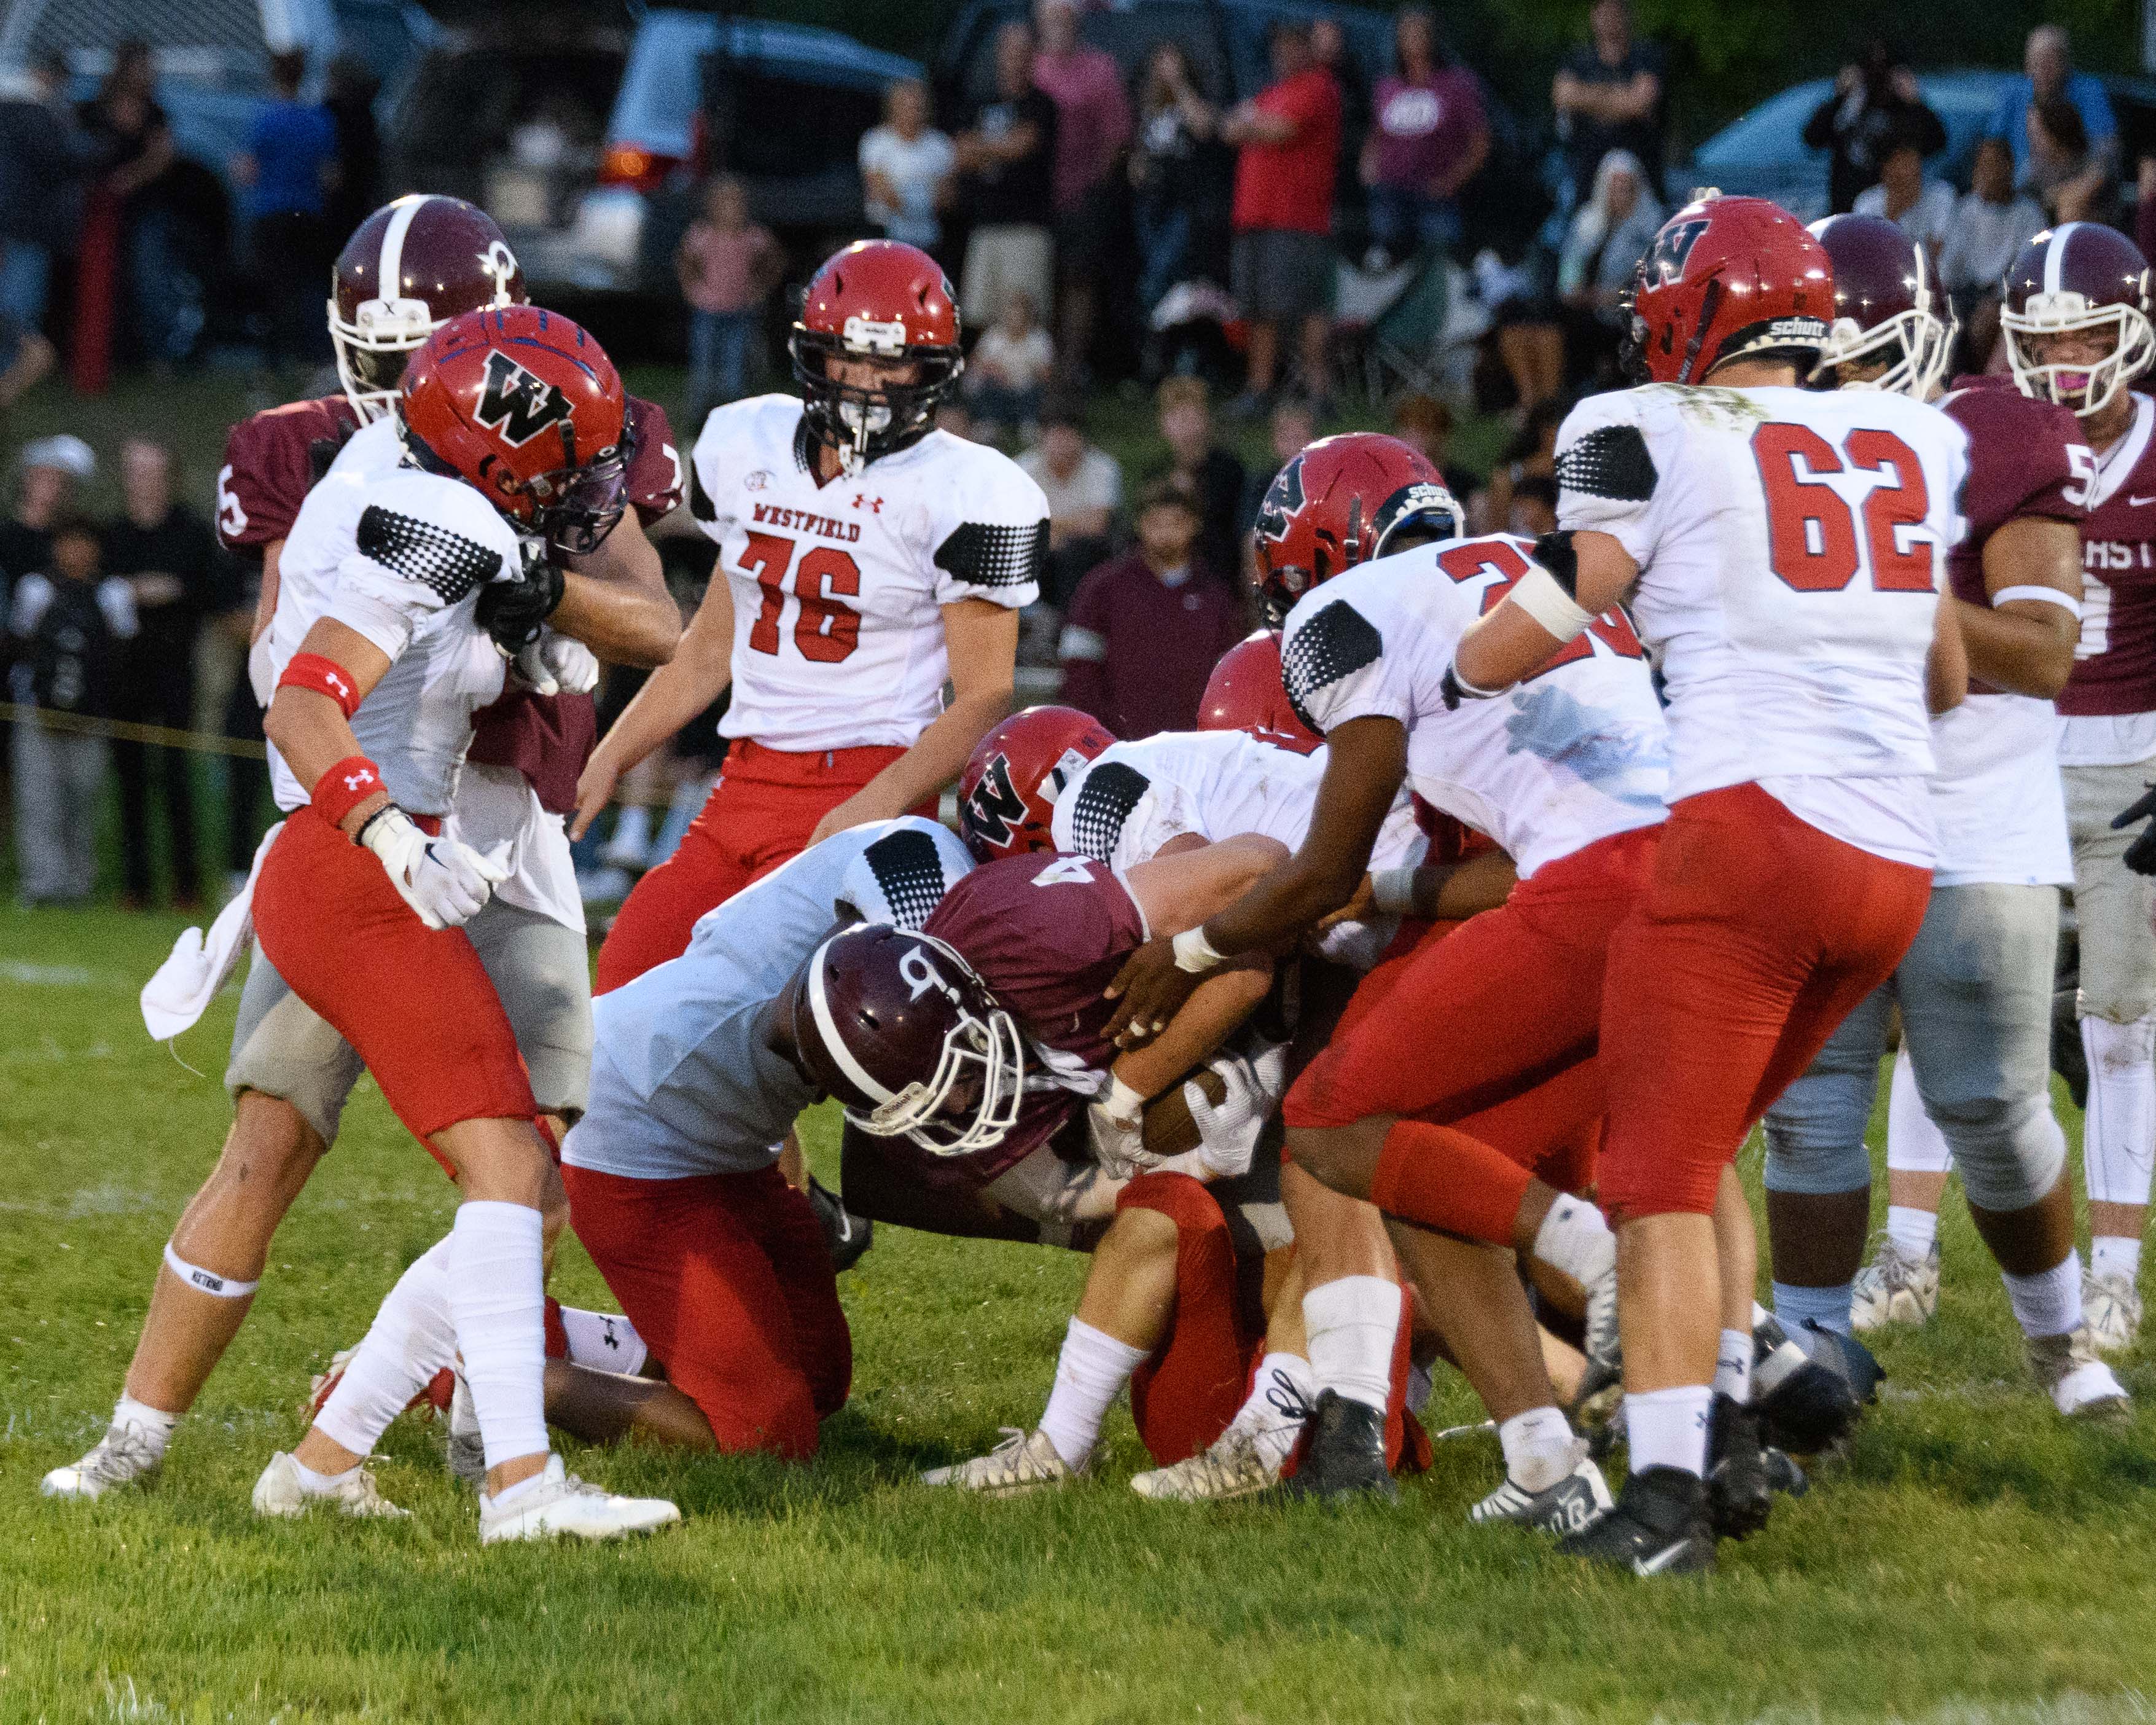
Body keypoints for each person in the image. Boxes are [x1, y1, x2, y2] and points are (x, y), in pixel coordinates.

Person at [41, 197, 684, 1511]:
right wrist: (366, 812)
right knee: (277, 1137)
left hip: (501, 824)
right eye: (376, 354)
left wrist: (534, 601)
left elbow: (656, 627)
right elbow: (305, 661)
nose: (395, 382)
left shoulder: (540, 423)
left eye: (423, 350)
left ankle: (409, 1434)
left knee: (526, 1158)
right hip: (369, 827)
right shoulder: (357, 471)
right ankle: (143, 1438)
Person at [1445, 195, 1967, 1573]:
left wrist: (1467, 663)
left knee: (1658, 1175)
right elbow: (1947, 674)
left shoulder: (1648, 428)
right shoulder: (1912, 435)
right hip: (1895, 859)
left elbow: (1554, 609)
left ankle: (1669, 1496)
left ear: (1694, 309)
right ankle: (1729, 1426)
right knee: (1699, 1140)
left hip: (1750, 834)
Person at [1093, 432, 1663, 1525]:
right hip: (1678, 871)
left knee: (1345, 1127)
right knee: (1639, 1167)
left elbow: (1330, 868)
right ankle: (1668, 1412)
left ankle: (1374, 1401)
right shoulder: (1522, 570)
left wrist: (1207, 950)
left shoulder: (1351, 628)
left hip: (1565, 902)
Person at [1760, 214, 2123, 1421]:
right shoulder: (1756, 450)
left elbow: (2043, 648)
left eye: (1852, 361)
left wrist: (1877, 591)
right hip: (1823, 805)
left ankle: (2062, 1337)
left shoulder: (2000, 434)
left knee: (1993, 1107)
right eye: (1809, 363)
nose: (1830, 390)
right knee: (1812, 1112)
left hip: (1974, 812)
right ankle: (1810, 1357)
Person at [575, 240, 1042, 993]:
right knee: (627, 996)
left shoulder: (966, 488)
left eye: (892, 366)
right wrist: (609, 757)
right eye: (850, 360)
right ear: (813, 356)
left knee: (761, 1037)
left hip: (869, 773)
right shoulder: (746, 442)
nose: (867, 385)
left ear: (932, 373)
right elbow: (709, 649)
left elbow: (986, 696)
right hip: (742, 785)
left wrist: (873, 807)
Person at [2001, 223, 2156, 1353]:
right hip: (2014, 763)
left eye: (2087, 334)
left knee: (2119, 1030)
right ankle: (1905, 1250)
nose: (2065, 363)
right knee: (1970, 1019)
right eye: (2045, 341)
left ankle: (2116, 1272)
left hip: (2133, 764)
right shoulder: (2000, 449)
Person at [104, 438, 217, 910]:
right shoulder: (112, 535)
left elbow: (207, 593)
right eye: (135, 471)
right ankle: (136, 885)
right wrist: (143, 588)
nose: (142, 480)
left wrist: (168, 590)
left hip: (175, 670)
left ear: (168, 476)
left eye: (151, 471)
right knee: (128, 779)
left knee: (176, 778)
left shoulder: (191, 531)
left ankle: (186, 884)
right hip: (123, 673)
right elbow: (102, 590)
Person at [1058, 481, 1244, 739]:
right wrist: (1104, 731)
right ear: (1140, 525)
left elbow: (1232, 677)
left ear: (1195, 525)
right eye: (1156, 523)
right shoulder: (1103, 587)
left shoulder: (1216, 595)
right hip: (1119, 747)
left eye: (1177, 523)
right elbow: (1078, 667)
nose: (1166, 533)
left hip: (1196, 747)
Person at [9, 515, 132, 904]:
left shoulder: (113, 593)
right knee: (39, 801)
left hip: (92, 717)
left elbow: (124, 652)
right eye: (68, 543)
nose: (76, 552)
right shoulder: (35, 589)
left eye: (84, 543)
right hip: (38, 714)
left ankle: (79, 886)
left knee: (83, 803)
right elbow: (20, 642)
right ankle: (42, 886)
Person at [1222, 22, 1340, 417]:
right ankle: (1260, 390)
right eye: (1279, 47)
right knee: (1259, 309)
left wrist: (1249, 124)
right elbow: (1228, 129)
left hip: (1297, 219)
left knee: (1306, 308)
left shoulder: (1318, 87)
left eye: (1293, 45)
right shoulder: (1272, 92)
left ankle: (1319, 393)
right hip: (1255, 216)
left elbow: (1280, 131)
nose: (1284, 53)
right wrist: (1248, 124)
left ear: (1307, 47)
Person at [1031, 0, 1128, 385]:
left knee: (1078, 279)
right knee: (1041, 280)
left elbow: (1117, 134)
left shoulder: (1100, 69)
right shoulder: (1032, 67)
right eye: (1051, 16)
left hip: (1083, 195)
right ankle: (1040, 365)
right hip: (1036, 198)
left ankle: (1071, 364)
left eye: (1065, 16)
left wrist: (1095, 185)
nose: (1059, 23)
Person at [79, 39, 187, 372]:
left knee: (148, 276)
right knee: (103, 283)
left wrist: (131, 178)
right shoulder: (96, 108)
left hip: (143, 210)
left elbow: (164, 157)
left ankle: (156, 354)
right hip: (101, 211)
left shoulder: (154, 113)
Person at [230, 50, 338, 377]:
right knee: (308, 285)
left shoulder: (264, 119)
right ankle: (312, 354)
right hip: (307, 213)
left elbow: (247, 171)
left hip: (270, 213)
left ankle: (273, 357)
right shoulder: (319, 120)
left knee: (272, 285)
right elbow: (331, 176)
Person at [953, 22, 1057, 331]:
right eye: (1010, 50)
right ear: (1000, 54)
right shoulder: (979, 101)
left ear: (1033, 56)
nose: (1016, 58)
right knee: (982, 318)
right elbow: (960, 153)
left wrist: (982, 147)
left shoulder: (1042, 104)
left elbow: (1023, 145)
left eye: (1024, 51)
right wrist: (1000, 147)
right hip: (984, 224)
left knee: (1024, 318)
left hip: (1026, 227)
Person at [1362, 7, 1487, 262]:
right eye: (1407, 33)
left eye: (1420, 32)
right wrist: (1369, 166)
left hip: (1435, 197)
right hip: (1390, 195)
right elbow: (1377, 132)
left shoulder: (1455, 84)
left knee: (1436, 265)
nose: (1414, 39)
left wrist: (1452, 181)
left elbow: (1480, 141)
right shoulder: (1389, 85)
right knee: (1386, 265)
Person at [676, 174, 782, 432]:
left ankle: (734, 421)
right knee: (704, 366)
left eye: (737, 203)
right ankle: (698, 421)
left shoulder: (754, 237)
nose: (731, 209)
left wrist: (760, 289)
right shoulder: (702, 235)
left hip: (741, 312)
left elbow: (774, 260)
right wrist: (692, 290)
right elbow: (685, 261)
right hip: (708, 311)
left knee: (734, 370)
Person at [0, 50, 96, 332]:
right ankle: (18, 358)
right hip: (27, 217)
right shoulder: (31, 110)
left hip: (15, 214)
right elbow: (58, 158)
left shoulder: (13, 106)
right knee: (21, 297)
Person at [1986, 26, 2115, 225]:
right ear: (2026, 65)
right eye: (2036, 59)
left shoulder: (2089, 92)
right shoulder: (2012, 95)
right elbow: (1992, 155)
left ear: (2066, 63)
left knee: (2072, 209)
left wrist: (2061, 196)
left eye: (2051, 58)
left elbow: (2104, 160)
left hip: (2075, 195)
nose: (2043, 66)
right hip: (2020, 199)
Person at [1801, 40, 1946, 216]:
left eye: (1885, 68)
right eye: (1869, 68)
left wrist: (1916, 103)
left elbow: (1937, 144)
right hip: (1845, 209)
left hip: (1893, 210)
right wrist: (1838, 98)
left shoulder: (1905, 111)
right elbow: (1812, 139)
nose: (1877, 76)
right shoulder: (1849, 107)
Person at [1937, 138, 2046, 372]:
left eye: (1994, 164)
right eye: (1982, 165)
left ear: (2009, 168)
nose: (1986, 172)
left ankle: (1981, 383)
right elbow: (1949, 269)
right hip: (1966, 294)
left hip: (2006, 296)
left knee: (1985, 321)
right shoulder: (1966, 209)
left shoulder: (2028, 214)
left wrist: (1997, 296)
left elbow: (2027, 268)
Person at [1557, 149, 1663, 388]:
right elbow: (1569, 274)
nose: (1621, 192)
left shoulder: (1652, 226)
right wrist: (1578, 293)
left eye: (1627, 185)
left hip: (1631, 312)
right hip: (1585, 309)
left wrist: (1611, 296)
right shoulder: (1587, 223)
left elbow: (1654, 279)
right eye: (1615, 185)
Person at [1551, 0, 1667, 210]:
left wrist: (1587, 98)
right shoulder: (1578, 59)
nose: (1609, 19)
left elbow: (1639, 103)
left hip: (1642, 189)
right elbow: (1563, 95)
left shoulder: (1647, 56)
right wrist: (1618, 98)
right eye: (1603, 12)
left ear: (1627, 15)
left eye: (1615, 12)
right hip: (1588, 187)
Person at [1129, 42, 1217, 314]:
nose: (1165, 68)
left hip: (1181, 204)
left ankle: (1154, 328)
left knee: (1159, 274)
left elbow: (1203, 127)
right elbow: (1137, 157)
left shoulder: (1192, 101)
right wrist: (1137, 167)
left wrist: (1178, 84)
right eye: (1161, 62)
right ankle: (1162, 337)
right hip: (1149, 204)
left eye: (1172, 61)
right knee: (1160, 273)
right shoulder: (1147, 109)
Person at [1020, 397, 1122, 610]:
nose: (1064, 444)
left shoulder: (1102, 468)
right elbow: (1019, 523)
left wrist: (1050, 527)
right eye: (1057, 436)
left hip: (1086, 552)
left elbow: (1098, 524)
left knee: (1078, 552)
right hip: (1038, 548)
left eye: (1070, 436)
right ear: (1043, 437)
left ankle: (1074, 618)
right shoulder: (1023, 469)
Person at [1154, 376, 1245, 579]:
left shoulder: (1227, 468)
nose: (1184, 422)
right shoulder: (1157, 472)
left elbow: (1222, 521)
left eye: (1191, 413)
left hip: (1213, 561)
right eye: (1175, 415)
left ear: (1205, 420)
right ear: (1164, 425)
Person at [859, 78, 955, 255]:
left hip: (929, 241)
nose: (912, 111)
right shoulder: (876, 142)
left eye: (917, 105)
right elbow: (879, 189)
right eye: (905, 105)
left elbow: (947, 196)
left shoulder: (940, 144)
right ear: (893, 108)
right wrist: (917, 204)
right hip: (886, 240)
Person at [963, 288, 1053, 444]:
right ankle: (989, 424)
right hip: (999, 391)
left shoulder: (1039, 339)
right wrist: (993, 370)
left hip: (1026, 391)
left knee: (1037, 392)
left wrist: (1032, 372)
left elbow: (1047, 372)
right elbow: (977, 360)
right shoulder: (994, 335)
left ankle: (1029, 425)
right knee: (983, 385)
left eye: (1021, 313)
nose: (1015, 318)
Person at [1853, 130, 1955, 265]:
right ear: (1885, 169)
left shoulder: (1942, 195)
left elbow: (1943, 255)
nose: (1912, 170)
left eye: (1914, 160)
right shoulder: (1867, 203)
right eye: (1903, 162)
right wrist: (1892, 215)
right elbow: (1866, 258)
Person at [2023, 99, 2115, 229]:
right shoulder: (2035, 169)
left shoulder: (2093, 158)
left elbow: (2100, 174)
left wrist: (2057, 194)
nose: (2032, 140)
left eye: (2038, 134)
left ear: (2055, 134)